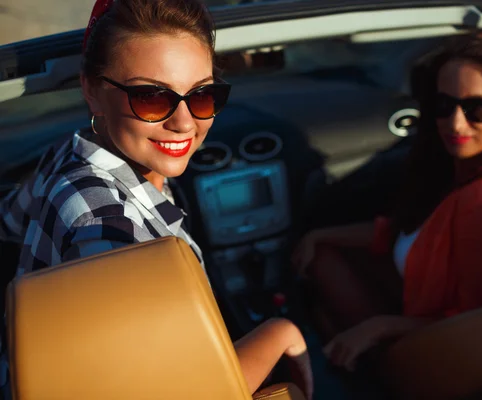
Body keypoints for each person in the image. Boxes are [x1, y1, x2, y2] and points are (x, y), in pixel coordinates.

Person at [0, 0, 312, 397]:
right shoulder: (110, 233)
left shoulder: (67, 153)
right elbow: (182, 392)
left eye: (202, 95)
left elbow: (8, 221)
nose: (184, 123)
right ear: (92, 91)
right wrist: (278, 332)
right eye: (151, 97)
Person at [292, 32, 482, 372]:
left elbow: (481, 325)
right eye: (443, 104)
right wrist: (319, 236)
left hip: (438, 350)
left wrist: (378, 327)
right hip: (417, 306)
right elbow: (407, 234)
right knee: (320, 261)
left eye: (477, 108)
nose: (455, 123)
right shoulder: (461, 171)